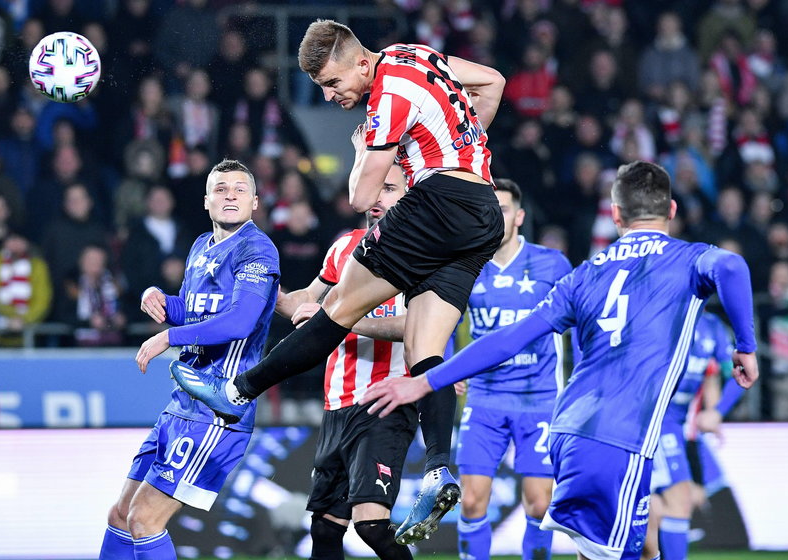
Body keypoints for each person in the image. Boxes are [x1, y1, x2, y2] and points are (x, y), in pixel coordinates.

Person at [171, 18, 506, 544]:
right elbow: (492, 83)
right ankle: (440, 467)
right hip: (483, 210)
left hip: (437, 205)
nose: (331, 96)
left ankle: (238, 389)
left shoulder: (385, 97)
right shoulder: (416, 55)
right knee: (425, 349)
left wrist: (366, 148)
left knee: (338, 310)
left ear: (361, 62)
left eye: (333, 83)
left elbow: (358, 196)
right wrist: (461, 153)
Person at [361, 161, 759, 560]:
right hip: (619, 437)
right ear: (671, 210)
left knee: (623, 551)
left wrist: (426, 380)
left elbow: (509, 339)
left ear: (616, 214)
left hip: (569, 430)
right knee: (630, 550)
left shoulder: (583, 274)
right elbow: (731, 266)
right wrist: (745, 345)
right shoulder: (686, 258)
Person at [99, 159, 280, 559]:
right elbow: (197, 311)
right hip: (183, 402)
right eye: (220, 188)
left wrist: (169, 336)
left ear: (254, 202)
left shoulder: (257, 248)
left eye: (239, 189)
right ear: (205, 201)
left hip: (219, 407)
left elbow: (240, 321)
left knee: (145, 518)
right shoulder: (201, 246)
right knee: (120, 514)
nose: (229, 194)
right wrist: (161, 300)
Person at [277, 164, 416, 560]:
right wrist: (261, 289)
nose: (377, 198)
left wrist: (345, 319)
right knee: (324, 528)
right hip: (337, 404)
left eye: (389, 188)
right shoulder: (344, 247)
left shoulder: (426, 252)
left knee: (371, 525)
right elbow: (305, 302)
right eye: (374, 188)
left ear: (411, 193)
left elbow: (416, 326)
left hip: (385, 402)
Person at [455, 179, 571, 560]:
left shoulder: (551, 264)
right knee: (471, 502)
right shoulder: (465, 265)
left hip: (539, 399)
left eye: (503, 209)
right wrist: (441, 361)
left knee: (539, 505)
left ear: (519, 216)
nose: (495, 215)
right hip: (485, 398)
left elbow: (582, 322)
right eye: (489, 209)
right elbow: (440, 320)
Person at [642, 312, 745, 560]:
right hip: (651, 416)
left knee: (657, 504)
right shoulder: (661, 314)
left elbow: (730, 371)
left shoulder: (713, 327)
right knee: (678, 497)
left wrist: (715, 412)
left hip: (679, 425)